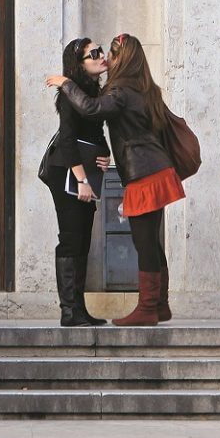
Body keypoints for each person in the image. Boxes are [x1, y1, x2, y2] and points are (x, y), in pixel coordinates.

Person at [46, 33, 183, 327]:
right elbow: (77, 136)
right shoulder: (143, 88)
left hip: (144, 173)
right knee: (147, 242)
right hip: (145, 171)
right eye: (95, 53)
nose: (104, 57)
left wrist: (67, 83)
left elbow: (94, 112)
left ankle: (149, 308)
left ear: (124, 59)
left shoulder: (117, 92)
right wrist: (95, 162)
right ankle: (155, 306)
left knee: (144, 241)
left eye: (107, 53)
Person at [41, 37, 108, 327]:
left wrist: (104, 155)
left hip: (84, 172)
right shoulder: (71, 94)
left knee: (82, 238)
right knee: (71, 238)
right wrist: (81, 180)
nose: (101, 55)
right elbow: (67, 140)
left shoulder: (91, 92)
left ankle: (78, 310)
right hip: (67, 172)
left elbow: (94, 130)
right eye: (94, 53)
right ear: (79, 64)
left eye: (100, 49)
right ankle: (69, 311)